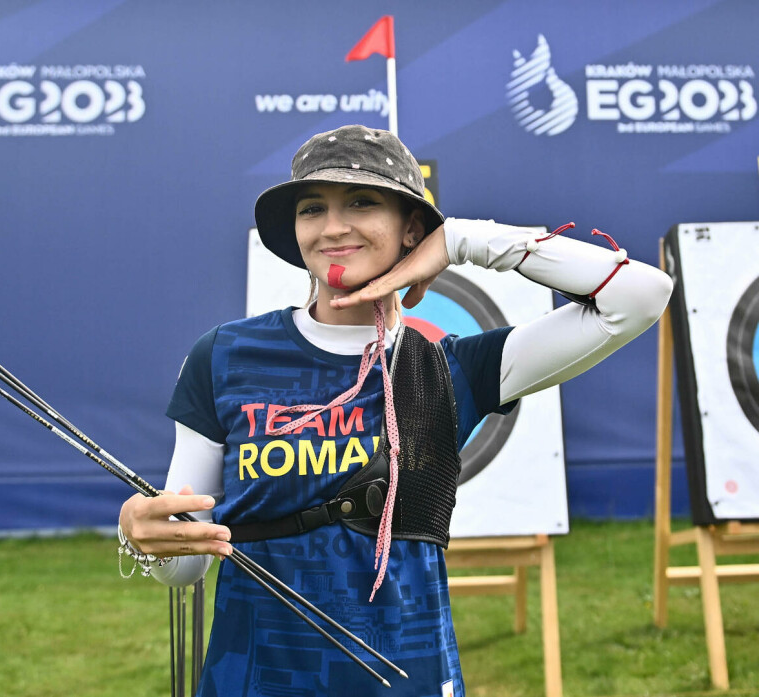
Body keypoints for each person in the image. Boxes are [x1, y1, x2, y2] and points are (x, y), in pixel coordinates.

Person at [117, 124, 673, 697]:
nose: (333, 227)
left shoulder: (452, 370)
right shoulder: (225, 356)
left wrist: (461, 240)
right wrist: (142, 534)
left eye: (362, 201)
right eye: (313, 209)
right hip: (255, 677)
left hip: (405, 677)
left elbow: (638, 297)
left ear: (411, 228)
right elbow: (184, 563)